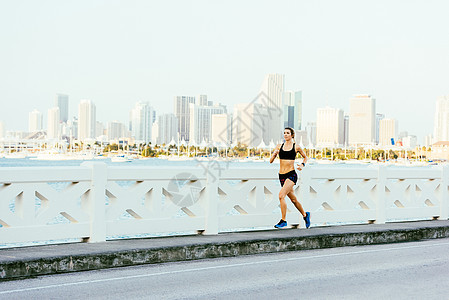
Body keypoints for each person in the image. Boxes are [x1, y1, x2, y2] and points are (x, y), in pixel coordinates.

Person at [269, 127, 310, 229]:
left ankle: (283, 220)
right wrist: (274, 154)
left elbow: (305, 157)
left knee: (281, 195)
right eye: (284, 133)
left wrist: (302, 165)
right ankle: (305, 215)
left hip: (291, 175)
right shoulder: (279, 146)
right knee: (294, 200)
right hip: (281, 176)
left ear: (292, 135)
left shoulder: (296, 147)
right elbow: (270, 161)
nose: (285, 135)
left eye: (288, 133)